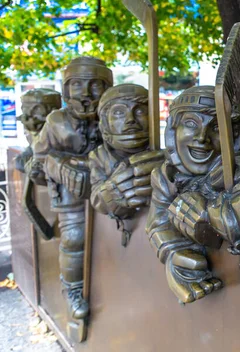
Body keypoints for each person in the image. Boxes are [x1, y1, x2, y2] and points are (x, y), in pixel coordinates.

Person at [146, 86, 240, 304]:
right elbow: (157, 223)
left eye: (216, 128)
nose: (202, 138)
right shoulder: (167, 177)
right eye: (191, 124)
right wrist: (174, 253)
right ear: (173, 129)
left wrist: (212, 216)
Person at [30, 56, 112, 321]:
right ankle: (72, 289)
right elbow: (40, 155)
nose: (86, 94)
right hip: (70, 193)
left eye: (94, 85)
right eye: (76, 85)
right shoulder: (55, 121)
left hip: (107, 185)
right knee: (75, 236)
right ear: (66, 89)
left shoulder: (113, 116)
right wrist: (59, 164)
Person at [88, 84, 163, 245]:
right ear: (105, 122)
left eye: (140, 111)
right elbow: (97, 198)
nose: (130, 120)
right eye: (119, 113)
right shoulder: (99, 156)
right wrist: (110, 196)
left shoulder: (163, 155)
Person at [15, 88, 61, 173]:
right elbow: (21, 161)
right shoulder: (36, 137)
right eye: (25, 108)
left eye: (36, 109)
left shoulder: (61, 135)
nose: (29, 115)